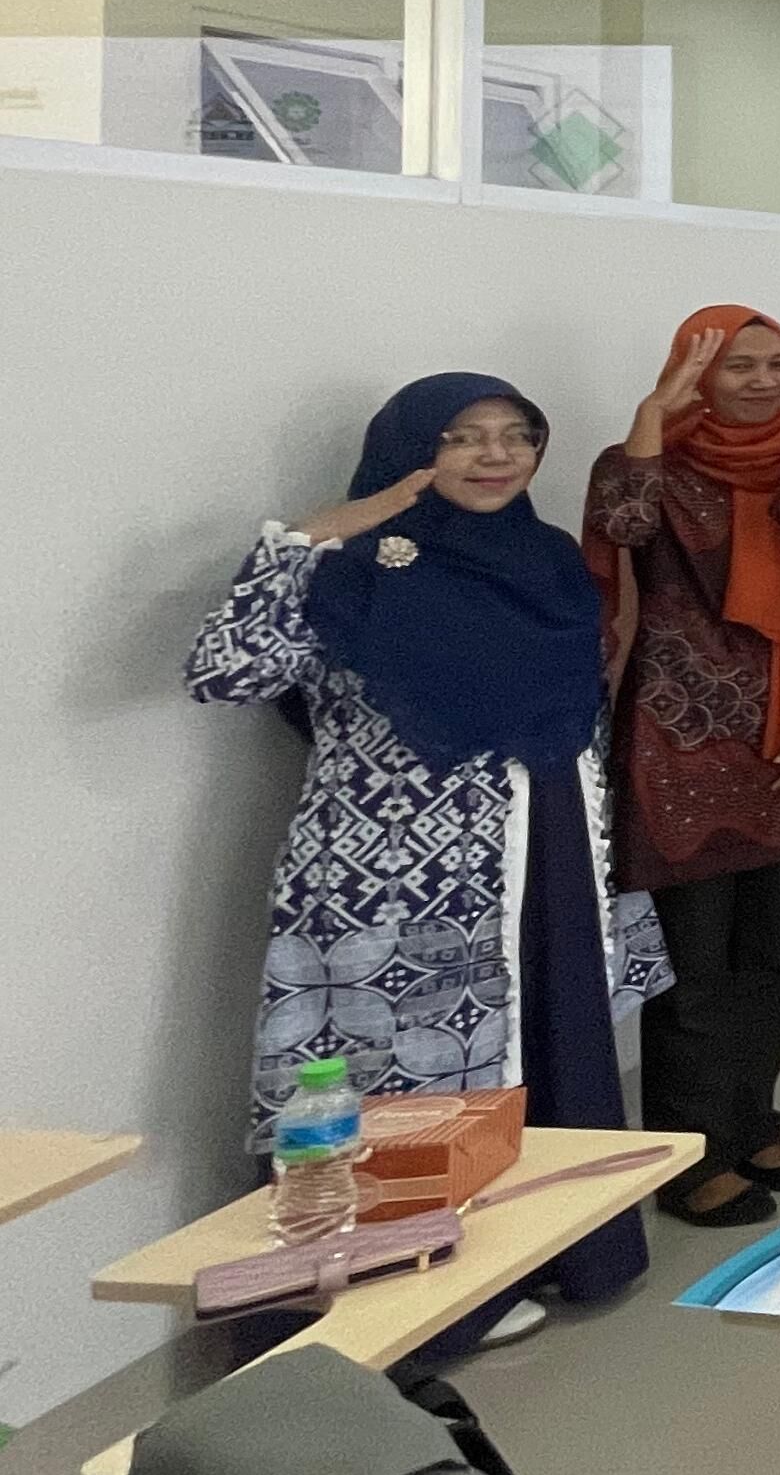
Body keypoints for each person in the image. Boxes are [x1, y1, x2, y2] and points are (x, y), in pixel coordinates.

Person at [190, 373, 667, 1322]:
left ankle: (548, 1257)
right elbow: (225, 671)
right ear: (411, 450)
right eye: (462, 437)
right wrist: (307, 536)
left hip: (551, 850)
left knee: (541, 1057)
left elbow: (580, 713)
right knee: (402, 1080)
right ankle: (420, 1304)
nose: (496, 457)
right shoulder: (348, 567)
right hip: (398, 876)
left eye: (516, 436)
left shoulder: (546, 558)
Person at [586, 309, 780, 1229]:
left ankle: (752, 1126)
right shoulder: (656, 464)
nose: (763, 380)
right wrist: (654, 414)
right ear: (695, 371)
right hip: (682, 740)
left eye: (779, 363)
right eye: (739, 365)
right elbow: (619, 522)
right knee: (694, 966)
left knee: (771, 955)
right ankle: (692, 1155)